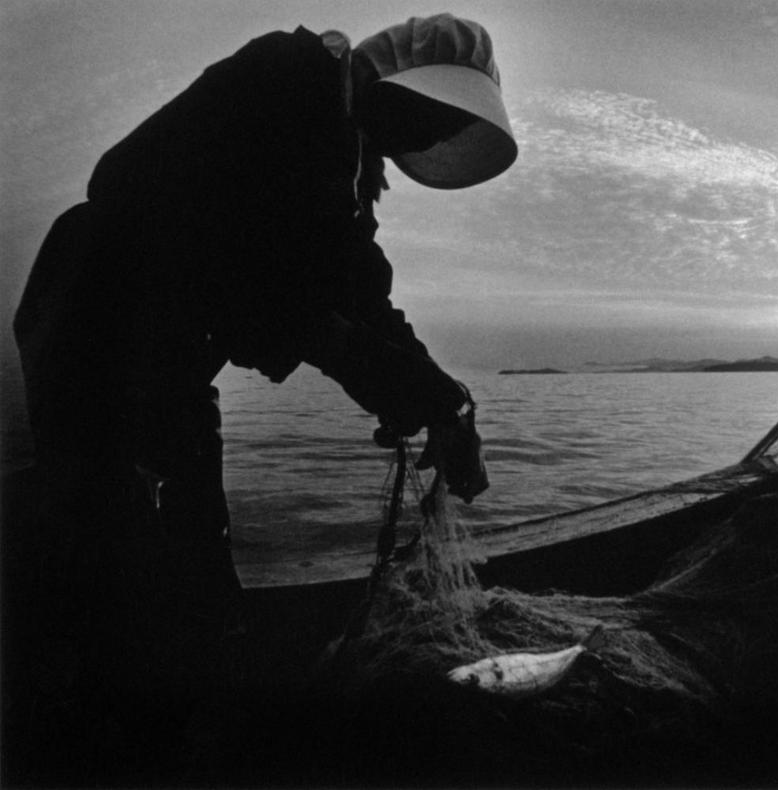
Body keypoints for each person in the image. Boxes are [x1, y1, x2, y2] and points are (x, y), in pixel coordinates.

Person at [9, 13, 514, 771]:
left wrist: (443, 400)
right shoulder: (288, 78)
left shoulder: (347, 169)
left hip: (173, 369)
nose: (432, 133)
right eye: (432, 110)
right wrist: (395, 385)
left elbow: (356, 301)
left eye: (443, 124)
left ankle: (170, 718)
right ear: (393, 79)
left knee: (191, 556)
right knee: (107, 553)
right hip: (95, 334)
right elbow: (274, 294)